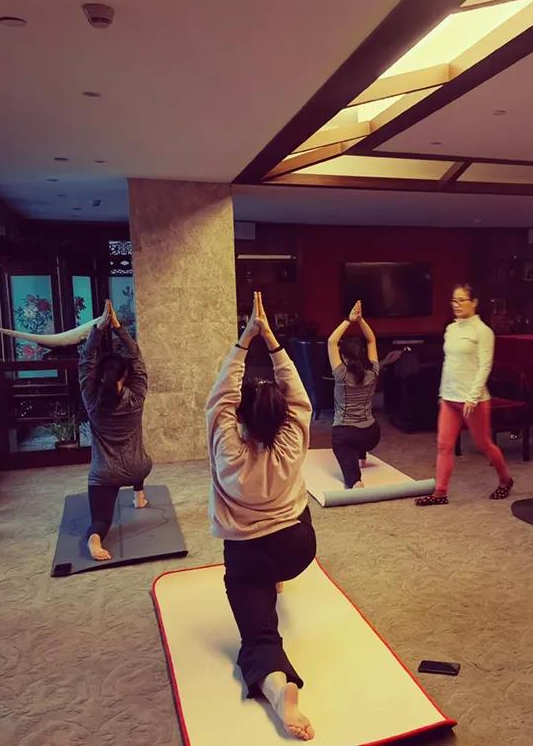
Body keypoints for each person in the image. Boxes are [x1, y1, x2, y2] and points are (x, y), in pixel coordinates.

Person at [206, 291, 316, 741]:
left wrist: (244, 340)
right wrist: (271, 340)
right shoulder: (292, 441)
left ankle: (276, 685)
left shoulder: (228, 451)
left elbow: (219, 400)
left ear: (241, 418)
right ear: (282, 417)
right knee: (298, 509)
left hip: (249, 557)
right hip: (297, 549)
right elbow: (298, 396)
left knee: (259, 636)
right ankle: (279, 579)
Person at [416, 283, 513, 506]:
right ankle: (440, 493)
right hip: (449, 398)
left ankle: (505, 480)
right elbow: (449, 363)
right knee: (443, 445)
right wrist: (443, 393)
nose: (456, 305)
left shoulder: (483, 331)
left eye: (461, 300)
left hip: (473, 400)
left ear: (474, 302)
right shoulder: (451, 329)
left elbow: (485, 366)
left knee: (483, 444)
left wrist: (472, 397)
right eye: (454, 300)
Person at [79, 299, 152, 562]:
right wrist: (118, 327)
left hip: (105, 474)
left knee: (100, 520)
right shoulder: (137, 398)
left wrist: (99, 328)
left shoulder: (92, 400)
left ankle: (95, 542)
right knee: (142, 458)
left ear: (100, 378)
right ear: (125, 376)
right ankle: (139, 496)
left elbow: (86, 360)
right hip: (138, 468)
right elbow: (137, 357)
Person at [327, 300, 380, 489]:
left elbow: (331, 341)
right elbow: (371, 340)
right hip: (372, 435)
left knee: (341, 442)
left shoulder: (341, 375)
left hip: (347, 433)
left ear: (344, 357)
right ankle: (361, 456)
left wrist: (349, 320)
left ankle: (355, 480)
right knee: (357, 435)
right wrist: (360, 320)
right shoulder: (373, 372)